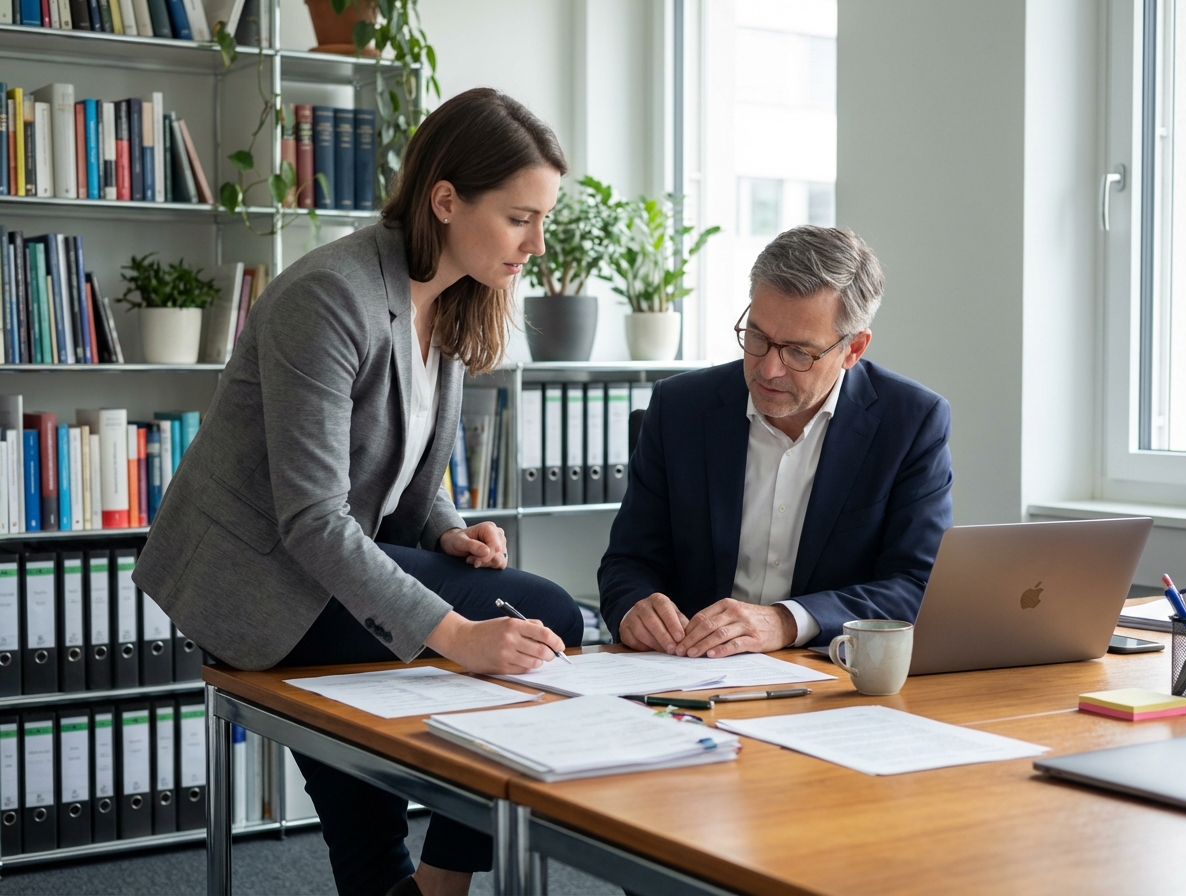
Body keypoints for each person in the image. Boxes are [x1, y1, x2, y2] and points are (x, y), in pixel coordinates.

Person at [134, 88, 583, 896]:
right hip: (261, 581)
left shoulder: (446, 302)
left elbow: (400, 470)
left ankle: (416, 886)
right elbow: (311, 516)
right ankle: (444, 886)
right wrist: (454, 633)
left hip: (331, 572)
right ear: (445, 200)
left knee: (365, 826)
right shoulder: (328, 297)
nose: (538, 244)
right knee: (544, 613)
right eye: (521, 218)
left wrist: (446, 529)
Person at [598, 225, 953, 657]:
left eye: (800, 352)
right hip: (689, 672)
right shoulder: (679, 407)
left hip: (827, 677)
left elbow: (914, 585)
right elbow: (628, 561)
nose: (768, 371)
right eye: (758, 338)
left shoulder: (910, 422)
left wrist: (788, 620)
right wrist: (633, 607)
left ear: (853, 349)